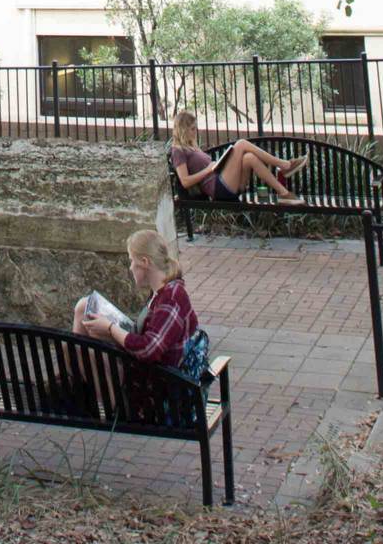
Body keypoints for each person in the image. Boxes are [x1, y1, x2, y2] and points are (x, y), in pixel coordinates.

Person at [73, 228, 211, 381]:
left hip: (158, 386)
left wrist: (110, 329)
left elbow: (148, 349)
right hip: (150, 371)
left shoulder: (172, 298)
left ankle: (110, 402)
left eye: (132, 260)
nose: (130, 267)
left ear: (145, 262)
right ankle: (75, 389)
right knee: (83, 307)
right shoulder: (161, 291)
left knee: (79, 352)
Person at [164, 107, 304, 202]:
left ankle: (284, 193)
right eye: (192, 129)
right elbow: (185, 181)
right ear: (183, 130)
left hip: (226, 184)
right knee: (241, 144)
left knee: (249, 158)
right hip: (218, 189)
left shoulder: (191, 146)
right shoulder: (178, 151)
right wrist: (209, 169)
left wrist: (218, 165)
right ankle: (284, 165)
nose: (195, 132)